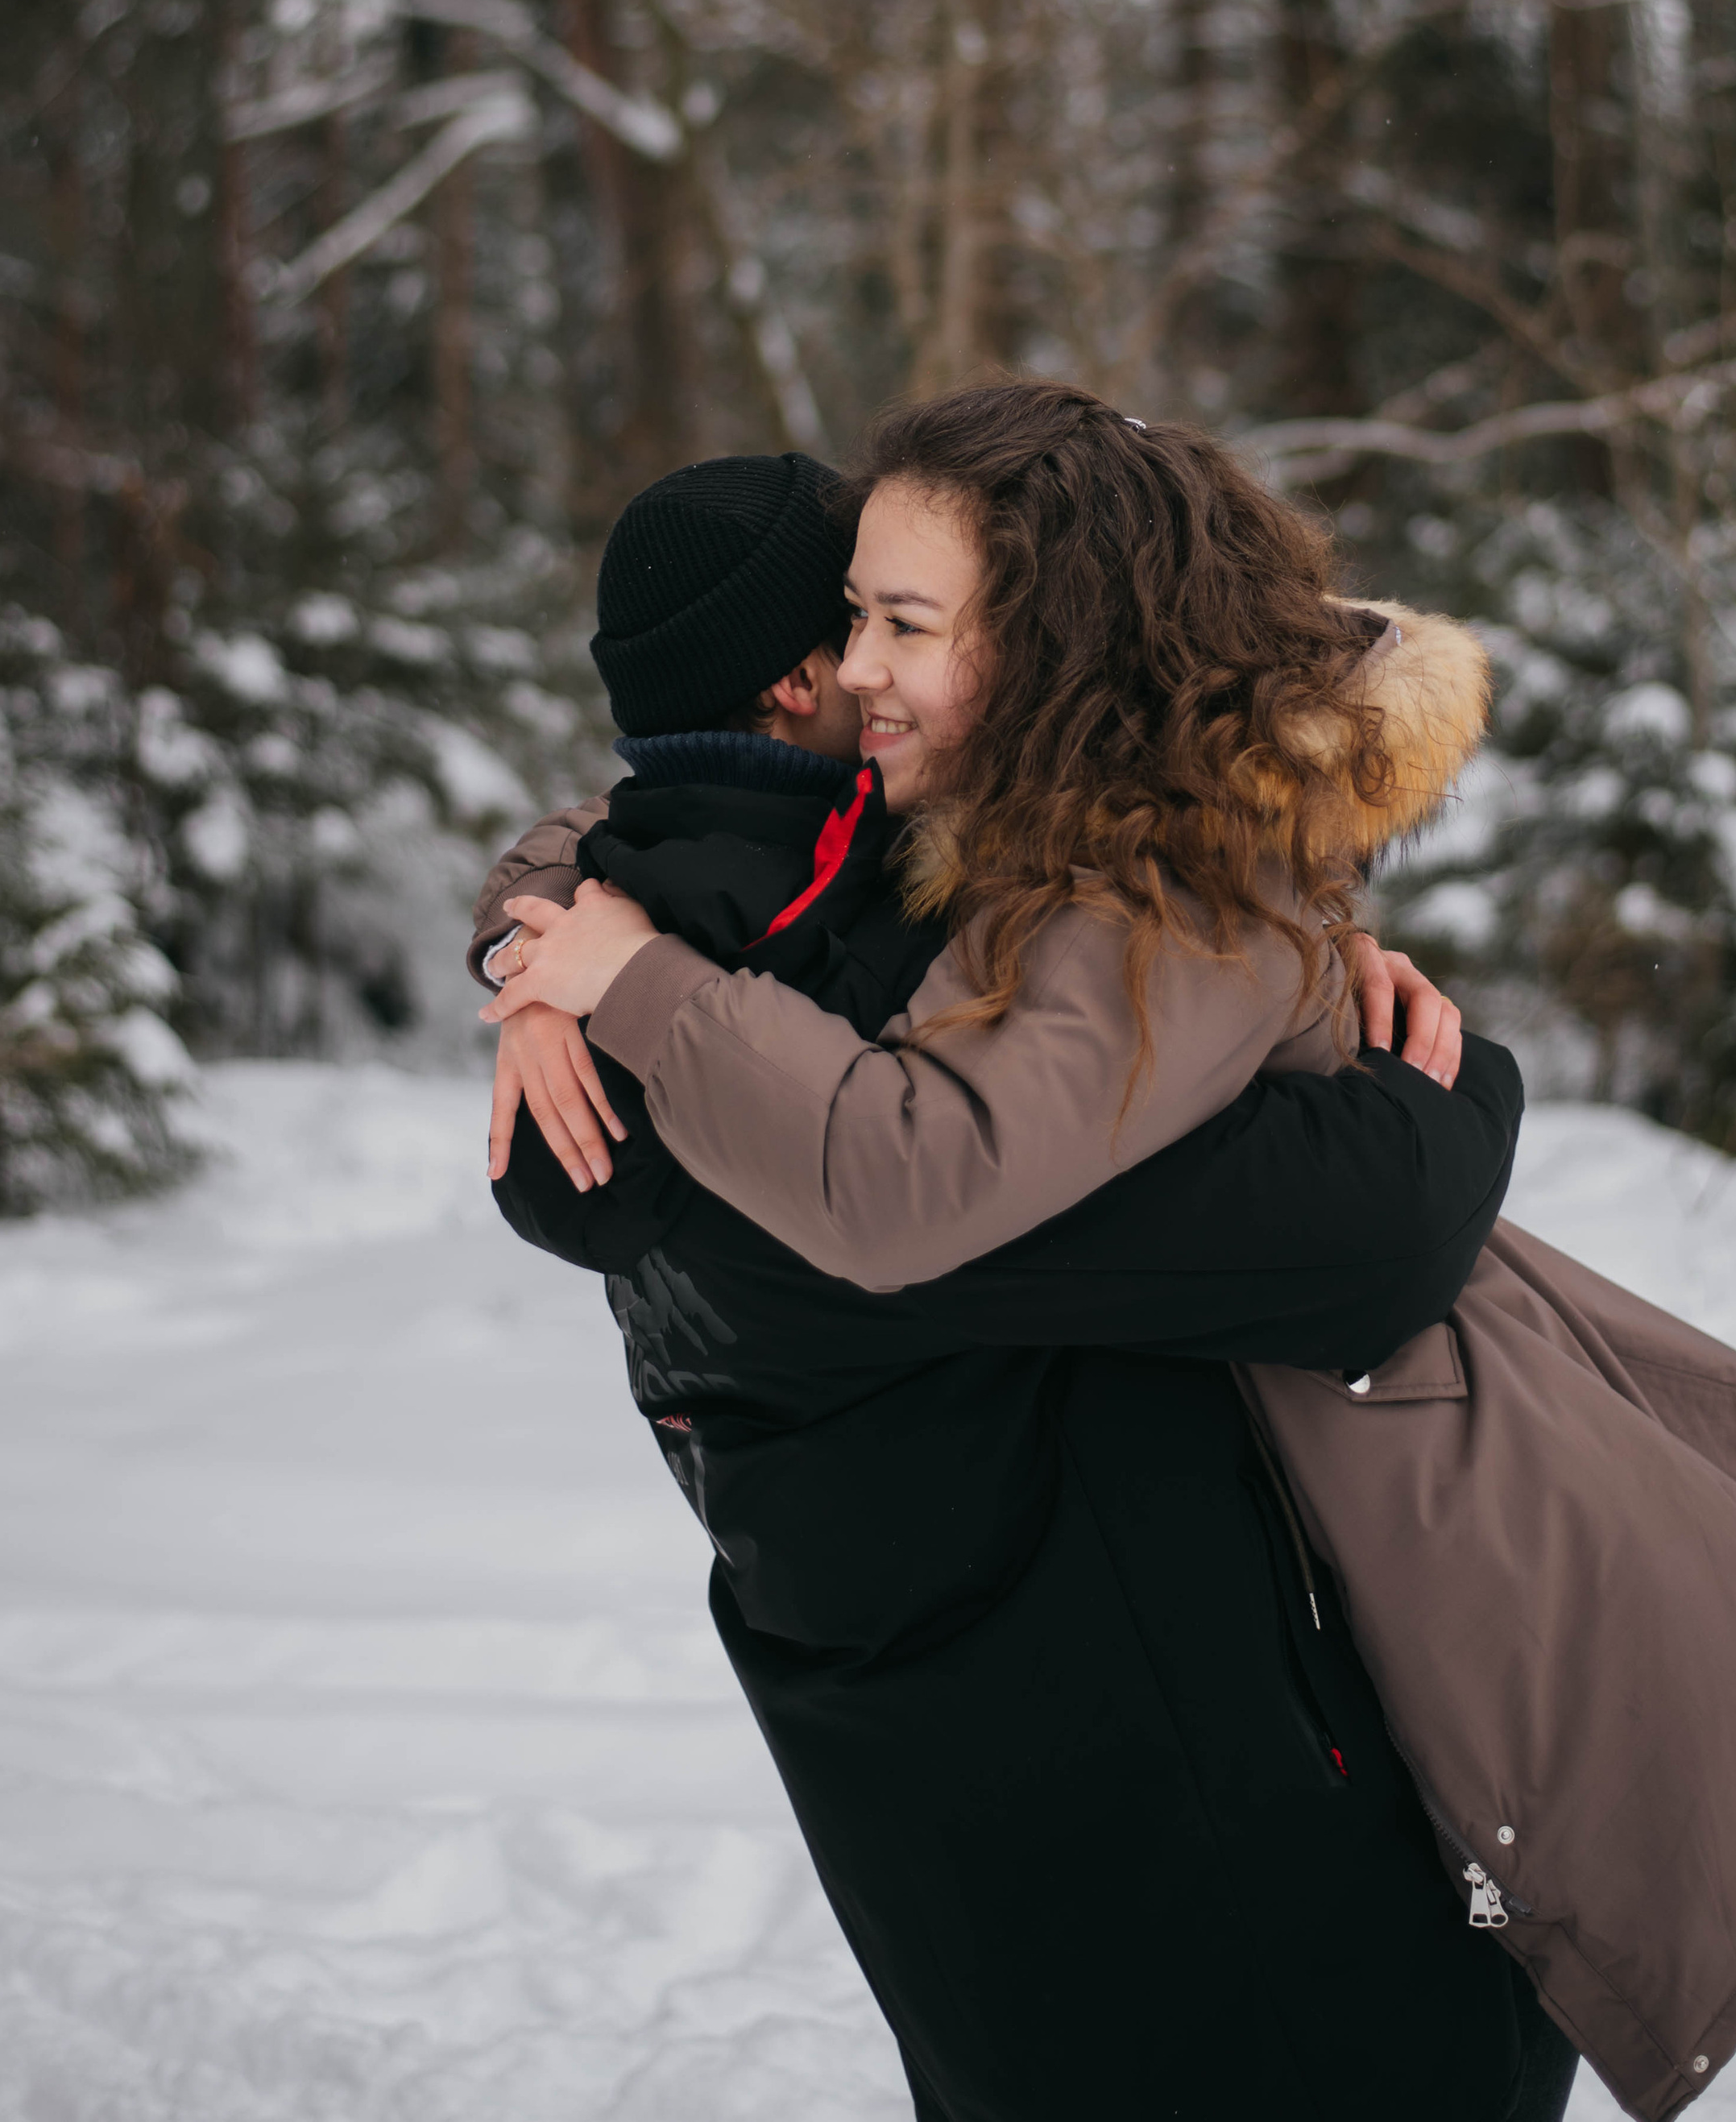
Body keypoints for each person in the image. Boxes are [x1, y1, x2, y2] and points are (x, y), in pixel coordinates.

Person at [479, 414, 1579, 2122]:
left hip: (967, 1686)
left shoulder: (893, 891)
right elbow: (1365, 1217)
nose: (868, 662)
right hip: (1113, 1717)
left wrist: (556, 929)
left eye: (902, 621)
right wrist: (1450, 1092)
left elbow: (627, 881)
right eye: (853, 624)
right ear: (793, 690)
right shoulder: (843, 929)